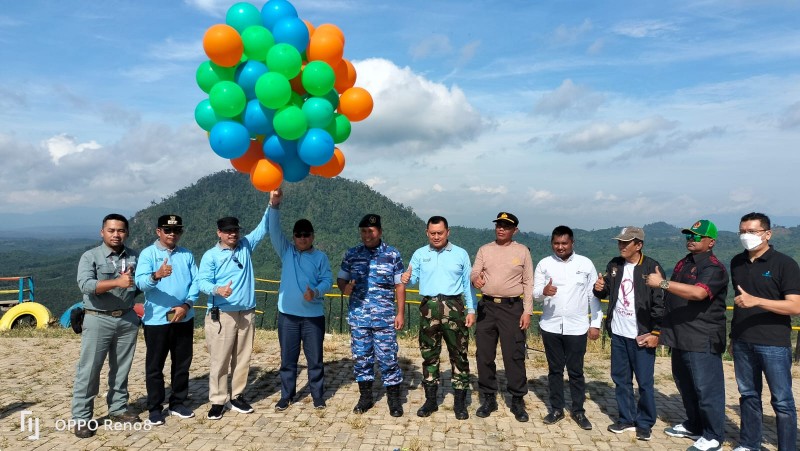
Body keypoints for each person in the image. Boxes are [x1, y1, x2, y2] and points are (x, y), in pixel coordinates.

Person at [646, 219, 728, 451]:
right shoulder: (685, 262)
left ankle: (713, 436)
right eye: (689, 236)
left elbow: (699, 293)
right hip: (679, 336)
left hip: (701, 337)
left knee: (707, 389)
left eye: (696, 237)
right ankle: (694, 424)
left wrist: (662, 282)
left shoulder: (713, 267)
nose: (690, 240)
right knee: (686, 385)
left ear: (711, 242)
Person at [729, 212, 800, 451]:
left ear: (767, 234)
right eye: (742, 231)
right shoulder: (737, 262)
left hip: (773, 343)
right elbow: (740, 303)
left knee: (782, 401)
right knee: (748, 395)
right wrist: (733, 337)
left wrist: (756, 301)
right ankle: (750, 443)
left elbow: (795, 306)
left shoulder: (785, 264)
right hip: (742, 341)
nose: (746, 236)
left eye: (752, 231)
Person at [197, 202, 270, 420]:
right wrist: (217, 289)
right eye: (228, 231)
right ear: (219, 233)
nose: (233, 234)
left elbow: (263, 228)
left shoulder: (246, 245)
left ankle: (237, 395)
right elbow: (202, 282)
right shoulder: (211, 255)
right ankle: (218, 400)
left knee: (243, 357)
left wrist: (272, 204)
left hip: (247, 312)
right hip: (222, 313)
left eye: (235, 230)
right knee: (220, 359)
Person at [592, 226, 665, 441]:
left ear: (638, 245)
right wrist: (598, 288)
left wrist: (656, 332)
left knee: (644, 382)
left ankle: (644, 423)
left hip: (641, 334)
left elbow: (660, 303)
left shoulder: (652, 267)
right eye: (620, 242)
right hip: (618, 332)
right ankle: (626, 419)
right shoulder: (614, 265)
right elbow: (606, 292)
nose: (621, 246)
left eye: (626, 242)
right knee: (621, 379)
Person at [72, 213, 140, 438]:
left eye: (120, 230)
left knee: (122, 368)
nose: (116, 234)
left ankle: (118, 409)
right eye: (111, 230)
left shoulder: (134, 256)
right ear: (102, 232)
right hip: (98, 318)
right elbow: (86, 285)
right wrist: (116, 282)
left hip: (127, 318)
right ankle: (82, 418)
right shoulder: (90, 256)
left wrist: (156, 276)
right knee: (89, 369)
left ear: (127, 233)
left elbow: (137, 285)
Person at [401, 215, 476, 420]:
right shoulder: (419, 254)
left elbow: (467, 285)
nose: (436, 237)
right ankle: (431, 401)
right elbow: (412, 278)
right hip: (428, 308)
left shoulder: (460, 254)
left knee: (459, 356)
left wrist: (471, 310)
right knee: (429, 356)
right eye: (432, 233)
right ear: (427, 233)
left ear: (448, 232)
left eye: (440, 233)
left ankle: (460, 404)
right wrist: (405, 279)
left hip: (455, 308)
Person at [267, 188, 333, 411]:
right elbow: (273, 230)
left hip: (313, 317)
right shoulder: (286, 251)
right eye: (298, 235)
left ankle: (317, 395)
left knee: (315, 360)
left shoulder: (320, 257)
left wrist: (315, 292)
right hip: (288, 317)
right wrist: (274, 206)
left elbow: (328, 280)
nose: (302, 238)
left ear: (312, 236)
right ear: (293, 237)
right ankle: (287, 395)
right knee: (288, 360)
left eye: (306, 235)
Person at [534, 225, 602, 430]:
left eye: (564, 243)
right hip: (550, 325)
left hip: (577, 327)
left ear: (572, 243)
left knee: (576, 371)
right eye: (556, 243)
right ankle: (556, 409)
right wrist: (544, 291)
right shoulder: (544, 264)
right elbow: (534, 293)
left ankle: (579, 411)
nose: (560, 247)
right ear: (551, 243)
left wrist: (595, 324)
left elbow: (593, 297)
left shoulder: (585, 264)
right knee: (554, 370)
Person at [337, 214, 406, 417]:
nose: (367, 235)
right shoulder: (352, 254)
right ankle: (365, 397)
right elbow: (342, 279)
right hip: (359, 317)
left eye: (371, 231)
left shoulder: (392, 255)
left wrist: (400, 313)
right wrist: (345, 289)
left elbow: (400, 285)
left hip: (385, 318)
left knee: (388, 358)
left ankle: (394, 400)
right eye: (364, 231)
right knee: (361, 358)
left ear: (380, 232)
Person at [134, 215, 199, 425]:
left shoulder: (186, 254)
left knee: (182, 363)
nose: (172, 234)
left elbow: (196, 283)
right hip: (156, 320)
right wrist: (156, 275)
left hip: (184, 316)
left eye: (177, 230)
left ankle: (178, 402)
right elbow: (140, 283)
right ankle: (154, 407)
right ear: (158, 232)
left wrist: (186, 305)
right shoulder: (148, 254)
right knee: (155, 365)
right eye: (168, 230)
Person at [470, 212, 533, 423]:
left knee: (513, 355)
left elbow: (528, 283)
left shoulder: (522, 251)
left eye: (506, 226)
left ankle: (517, 399)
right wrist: (475, 279)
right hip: (487, 307)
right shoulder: (485, 250)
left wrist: (527, 311)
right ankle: (489, 398)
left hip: (512, 308)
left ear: (515, 230)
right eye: (499, 225)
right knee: (484, 355)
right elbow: (474, 272)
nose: (501, 229)